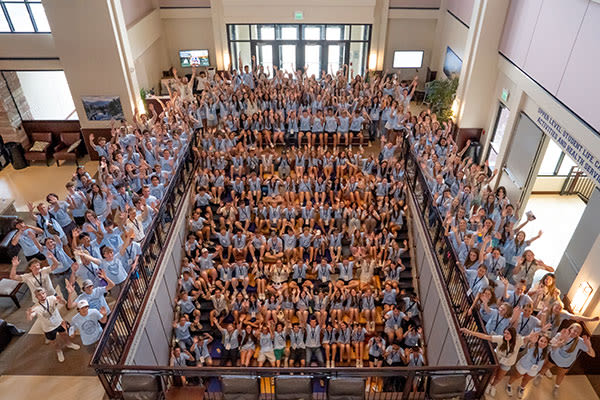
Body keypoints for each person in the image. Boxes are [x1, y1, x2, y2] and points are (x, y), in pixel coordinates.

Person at [461, 327, 524, 397]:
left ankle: (493, 386)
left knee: (499, 377)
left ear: (513, 335)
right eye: (505, 333)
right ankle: (488, 384)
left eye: (508, 333)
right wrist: (470, 332)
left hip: (507, 363)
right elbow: (486, 337)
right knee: (492, 374)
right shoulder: (500, 338)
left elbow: (527, 338)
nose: (505, 335)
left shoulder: (518, 341)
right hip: (496, 359)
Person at [538, 323, 596, 397]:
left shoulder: (580, 341)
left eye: (578, 332)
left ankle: (556, 387)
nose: (575, 333)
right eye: (574, 330)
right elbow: (552, 346)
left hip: (566, 363)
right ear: (570, 328)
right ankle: (539, 377)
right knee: (545, 367)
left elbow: (593, 355)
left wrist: (589, 346)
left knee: (561, 375)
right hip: (554, 357)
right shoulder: (560, 334)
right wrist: (562, 341)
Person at [27, 288, 80, 362]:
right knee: (54, 341)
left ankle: (69, 344)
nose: (42, 296)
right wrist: (29, 314)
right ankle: (59, 351)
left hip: (59, 322)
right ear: (36, 297)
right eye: (39, 295)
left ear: (45, 293)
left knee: (64, 334)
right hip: (48, 328)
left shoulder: (51, 298)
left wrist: (61, 299)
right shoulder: (36, 307)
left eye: (43, 293)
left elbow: (64, 303)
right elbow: (30, 318)